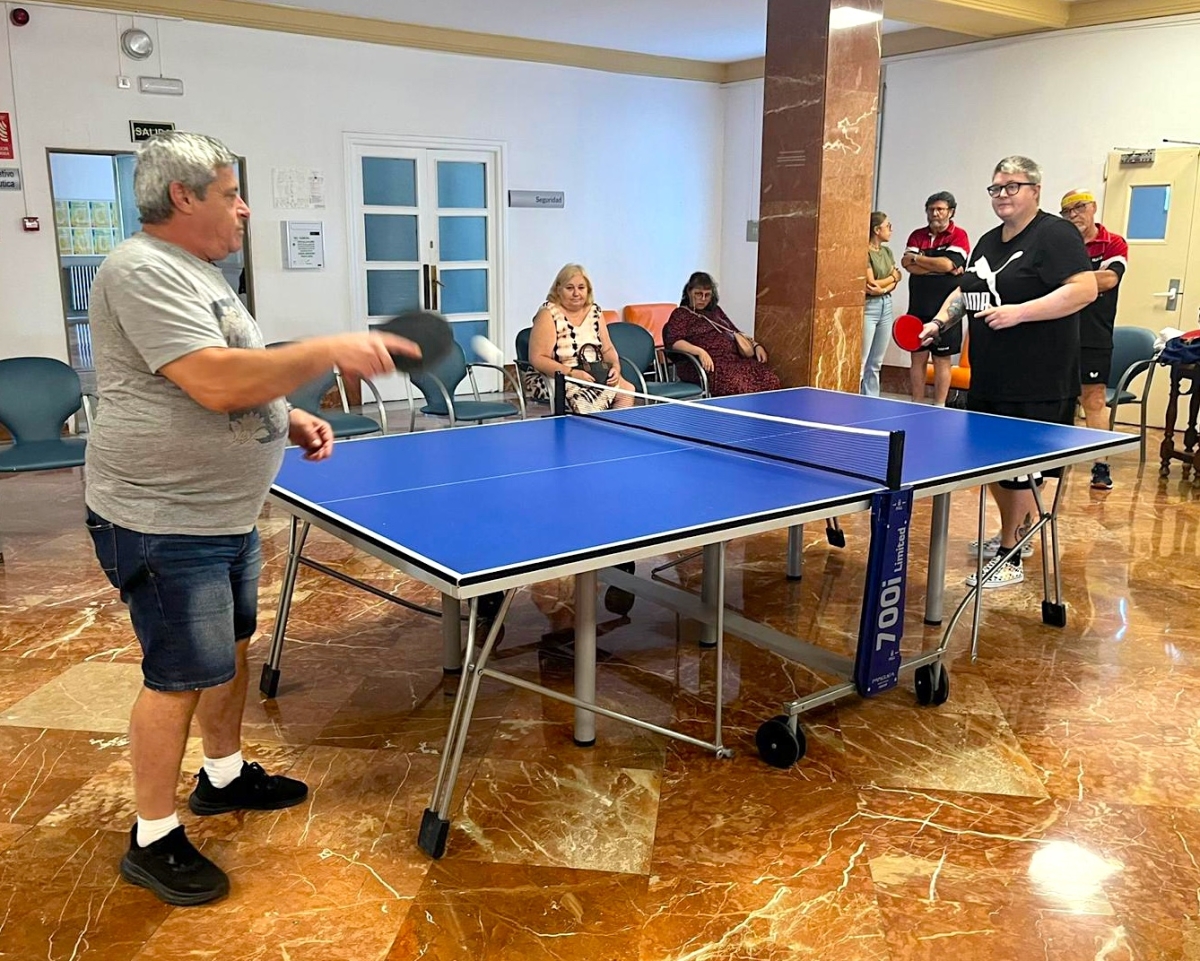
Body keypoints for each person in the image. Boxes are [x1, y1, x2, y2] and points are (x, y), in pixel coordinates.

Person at [84, 131, 416, 906]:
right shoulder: (139, 269)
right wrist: (328, 349)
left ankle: (224, 775)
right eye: (231, 193)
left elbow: (232, 370)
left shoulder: (204, 274)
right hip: (164, 516)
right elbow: (213, 380)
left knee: (229, 650)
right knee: (178, 676)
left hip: (224, 513)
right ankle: (152, 836)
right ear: (183, 197)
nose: (245, 209)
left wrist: (286, 416)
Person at [919, 156, 1096, 589]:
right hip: (991, 375)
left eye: (1012, 186)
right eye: (996, 188)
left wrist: (1020, 312)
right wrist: (939, 322)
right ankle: (1012, 534)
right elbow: (965, 292)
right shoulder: (987, 241)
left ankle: (1010, 554)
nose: (1002, 195)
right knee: (995, 467)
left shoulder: (1055, 234)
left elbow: (1085, 289)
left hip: (1039, 377)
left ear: (1035, 190)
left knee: (1022, 471)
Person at [1061, 188, 1129, 491]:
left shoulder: (1113, 242)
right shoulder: (1061, 243)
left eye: (1079, 207)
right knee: (1057, 399)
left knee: (1094, 399)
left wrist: (1066, 282)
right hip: (1058, 332)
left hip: (1094, 334)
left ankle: (1100, 465)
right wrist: (1088, 280)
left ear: (1093, 208)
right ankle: (1050, 460)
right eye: (1067, 211)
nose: (1074, 214)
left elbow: (1110, 279)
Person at [527, 264, 634, 411]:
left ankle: (614, 426)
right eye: (569, 288)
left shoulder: (595, 311)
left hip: (593, 371)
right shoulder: (548, 314)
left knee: (627, 390)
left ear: (588, 290)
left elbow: (607, 349)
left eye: (581, 288)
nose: (576, 293)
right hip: (557, 376)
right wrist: (572, 374)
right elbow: (538, 358)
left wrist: (615, 367)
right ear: (558, 289)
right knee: (584, 403)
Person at [662, 271, 781, 397]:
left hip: (732, 360)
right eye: (698, 294)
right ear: (689, 292)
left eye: (707, 295)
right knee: (739, 386)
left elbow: (734, 331)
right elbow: (674, 341)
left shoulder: (716, 311)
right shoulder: (681, 314)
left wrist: (756, 345)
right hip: (704, 364)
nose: (703, 299)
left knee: (770, 379)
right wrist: (700, 352)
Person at [902, 192, 971, 405]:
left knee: (942, 361)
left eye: (940, 209)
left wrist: (920, 260)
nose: (935, 213)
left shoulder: (959, 235)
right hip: (918, 308)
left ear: (951, 212)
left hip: (946, 312)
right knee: (918, 359)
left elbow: (948, 264)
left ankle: (939, 406)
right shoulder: (917, 235)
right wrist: (940, 266)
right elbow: (907, 264)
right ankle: (916, 402)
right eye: (931, 209)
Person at [863, 212, 901, 396]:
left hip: (886, 305)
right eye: (888, 226)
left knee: (876, 362)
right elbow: (871, 284)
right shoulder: (864, 252)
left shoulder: (887, 252)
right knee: (862, 360)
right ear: (877, 230)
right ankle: (854, 398)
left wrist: (885, 286)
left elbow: (897, 278)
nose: (891, 230)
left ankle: (871, 399)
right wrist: (893, 277)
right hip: (869, 308)